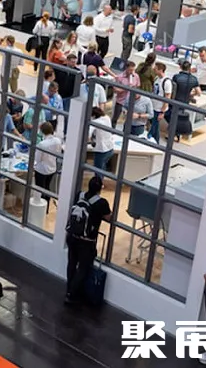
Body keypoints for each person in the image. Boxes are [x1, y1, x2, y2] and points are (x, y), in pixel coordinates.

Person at [65, 176, 111, 305]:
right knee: (83, 268)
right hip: (86, 241)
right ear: (100, 189)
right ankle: (72, 294)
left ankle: (69, 289)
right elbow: (109, 217)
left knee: (72, 263)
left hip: (72, 236)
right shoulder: (102, 203)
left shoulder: (79, 195)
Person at [88, 107, 114, 178]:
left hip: (101, 150)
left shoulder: (95, 122)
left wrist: (91, 140)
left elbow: (87, 135)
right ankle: (101, 181)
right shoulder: (107, 118)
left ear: (93, 116)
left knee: (98, 170)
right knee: (103, 167)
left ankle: (99, 182)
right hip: (110, 148)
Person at [112, 61, 140, 126]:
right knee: (115, 118)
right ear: (126, 68)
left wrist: (137, 95)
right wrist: (126, 88)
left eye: (133, 70)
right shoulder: (119, 77)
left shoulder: (136, 76)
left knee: (129, 119)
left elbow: (137, 86)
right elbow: (115, 90)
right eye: (130, 70)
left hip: (131, 101)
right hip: (121, 101)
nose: (132, 72)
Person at [150, 62, 172, 142]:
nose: (154, 70)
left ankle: (154, 140)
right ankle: (154, 141)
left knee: (154, 126)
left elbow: (167, 97)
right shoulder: (156, 78)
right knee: (154, 125)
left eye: (155, 69)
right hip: (153, 105)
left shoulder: (167, 82)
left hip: (159, 108)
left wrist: (162, 112)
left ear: (161, 70)